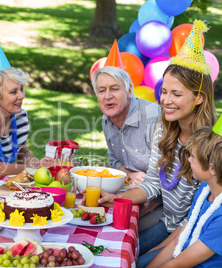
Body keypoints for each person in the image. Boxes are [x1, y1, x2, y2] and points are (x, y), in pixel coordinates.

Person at [84, 21, 217, 268]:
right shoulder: (163, 129)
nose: (165, 101)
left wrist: (160, 252)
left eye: (176, 94)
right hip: (170, 223)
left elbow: (199, 216)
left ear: (199, 98)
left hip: (192, 235)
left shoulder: (210, 145)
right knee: (107, 249)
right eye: (164, 92)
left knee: (125, 258)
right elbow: (154, 184)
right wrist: (117, 199)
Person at [0, 44, 56, 191]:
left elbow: (22, 152)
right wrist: (32, 167)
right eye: (13, 92)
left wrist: (38, 165)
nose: (22, 96)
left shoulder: (20, 116)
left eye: (21, 89)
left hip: (6, 186)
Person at [148, 124, 222, 267]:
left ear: (211, 168)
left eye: (193, 156)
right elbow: (179, 239)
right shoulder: (204, 191)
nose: (188, 160)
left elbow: (178, 264)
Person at [92, 66, 161, 186]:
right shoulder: (107, 119)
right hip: (129, 186)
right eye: (102, 90)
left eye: (114, 89)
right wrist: (129, 173)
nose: (107, 96)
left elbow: (168, 172)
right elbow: (114, 159)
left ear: (129, 91)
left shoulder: (154, 118)